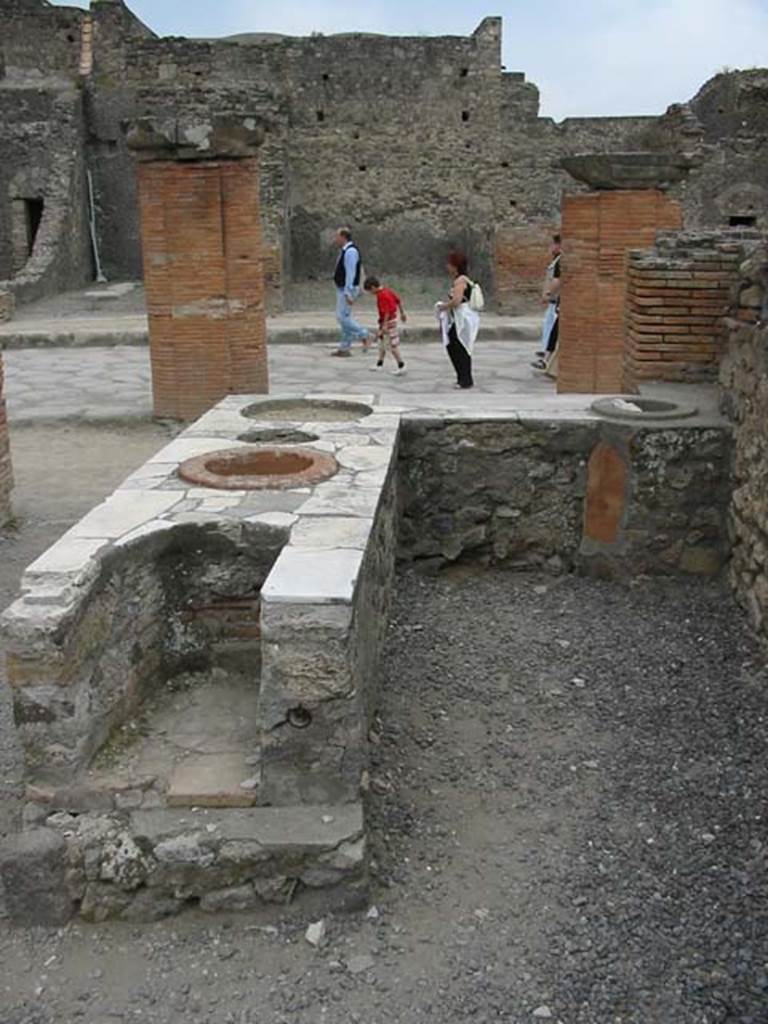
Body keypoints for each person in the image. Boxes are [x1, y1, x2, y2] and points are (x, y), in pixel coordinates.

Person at [436, 250, 479, 390]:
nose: (447, 266)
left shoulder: (461, 281)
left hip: (463, 317)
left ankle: (465, 379)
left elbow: (457, 301)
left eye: (449, 264)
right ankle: (463, 377)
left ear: (455, 265)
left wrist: (444, 306)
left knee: (457, 345)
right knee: (457, 345)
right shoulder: (462, 279)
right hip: (461, 317)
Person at [331, 227, 370, 357]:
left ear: (343, 237)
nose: (335, 239)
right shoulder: (345, 251)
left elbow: (351, 273)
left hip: (347, 289)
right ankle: (344, 347)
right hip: (342, 288)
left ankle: (365, 335)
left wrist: (348, 292)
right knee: (345, 317)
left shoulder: (351, 252)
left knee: (341, 317)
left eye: (337, 236)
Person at [363, 275, 407, 376]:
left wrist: (384, 326)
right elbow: (398, 301)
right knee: (381, 343)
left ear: (373, 287)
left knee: (392, 346)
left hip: (388, 322)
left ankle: (401, 365)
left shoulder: (381, 296)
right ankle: (379, 364)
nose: (370, 293)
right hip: (390, 321)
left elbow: (386, 311)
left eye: (370, 291)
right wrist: (402, 313)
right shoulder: (388, 291)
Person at [531, 233, 561, 371]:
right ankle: (546, 353)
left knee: (554, 330)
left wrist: (548, 294)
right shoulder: (556, 261)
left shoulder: (561, 261)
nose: (551, 247)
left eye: (554, 244)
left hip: (557, 302)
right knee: (550, 327)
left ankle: (547, 357)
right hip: (555, 302)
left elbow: (556, 281)